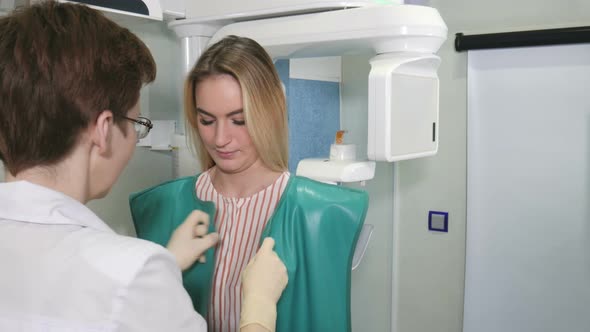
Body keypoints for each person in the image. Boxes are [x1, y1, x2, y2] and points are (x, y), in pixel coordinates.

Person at [0, 2, 287, 332]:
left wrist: (166, 266)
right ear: (104, 129)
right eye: (136, 122)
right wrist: (258, 309)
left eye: (238, 119)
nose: (221, 138)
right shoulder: (133, 269)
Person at [130, 35, 369, 332]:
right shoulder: (162, 207)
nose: (220, 139)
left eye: (239, 120)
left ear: (270, 112)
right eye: (207, 121)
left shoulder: (322, 213)